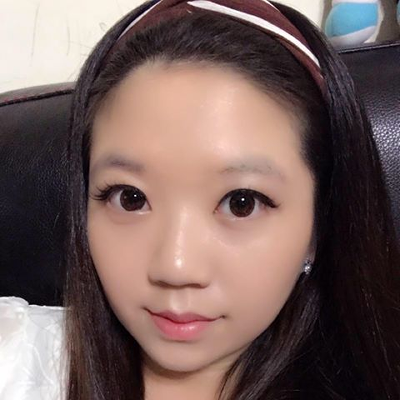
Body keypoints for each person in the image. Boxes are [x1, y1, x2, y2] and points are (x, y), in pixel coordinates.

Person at [1, 0, 399, 399]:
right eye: (130, 198)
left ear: (319, 222)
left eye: (241, 203)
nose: (175, 267)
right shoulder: (17, 355)